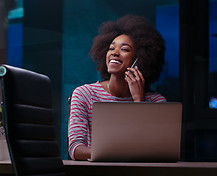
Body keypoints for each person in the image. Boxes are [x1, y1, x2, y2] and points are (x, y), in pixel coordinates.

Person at [68, 14, 167, 161]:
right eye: (111, 48)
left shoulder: (156, 102)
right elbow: (75, 149)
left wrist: (139, 101)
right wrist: (119, 153)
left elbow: (157, 150)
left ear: (141, 59)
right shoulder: (84, 94)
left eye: (125, 49)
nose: (114, 52)